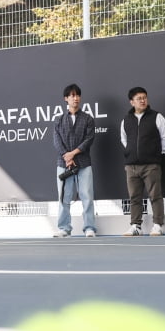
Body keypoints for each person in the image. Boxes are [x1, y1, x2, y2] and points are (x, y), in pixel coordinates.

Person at [120, 86, 165, 236]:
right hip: (131, 166)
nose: (143, 100)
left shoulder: (157, 117)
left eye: (144, 97)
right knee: (134, 197)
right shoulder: (126, 120)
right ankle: (136, 226)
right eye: (139, 98)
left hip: (151, 165)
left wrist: (156, 153)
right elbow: (124, 139)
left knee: (155, 195)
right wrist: (130, 152)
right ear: (132, 102)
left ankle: (158, 225)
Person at [51, 83, 97, 238]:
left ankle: (89, 228)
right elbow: (57, 141)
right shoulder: (58, 120)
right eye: (72, 95)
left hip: (84, 163)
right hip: (64, 165)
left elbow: (89, 139)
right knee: (64, 197)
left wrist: (73, 154)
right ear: (66, 99)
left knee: (87, 196)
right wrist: (67, 156)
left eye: (77, 95)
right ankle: (64, 228)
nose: (75, 98)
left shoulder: (88, 119)